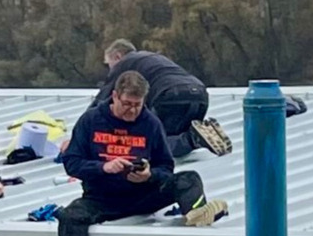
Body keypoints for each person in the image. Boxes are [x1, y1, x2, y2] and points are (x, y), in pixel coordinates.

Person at [49, 70, 227, 236]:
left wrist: (148, 175)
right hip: (102, 197)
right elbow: (71, 162)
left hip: (143, 194)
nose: (132, 110)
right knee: (70, 216)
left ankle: (197, 212)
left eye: (137, 105)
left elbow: (166, 166)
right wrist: (104, 167)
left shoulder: (151, 123)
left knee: (189, 178)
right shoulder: (91, 121)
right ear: (114, 96)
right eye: (126, 104)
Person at [95, 39, 231, 161]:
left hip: (170, 95)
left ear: (117, 56)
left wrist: (83, 131)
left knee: (152, 144)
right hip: (199, 94)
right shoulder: (152, 59)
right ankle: (198, 135)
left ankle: (193, 139)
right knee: (173, 138)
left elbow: (103, 100)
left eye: (109, 64)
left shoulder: (124, 64)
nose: (109, 69)